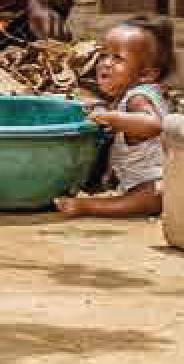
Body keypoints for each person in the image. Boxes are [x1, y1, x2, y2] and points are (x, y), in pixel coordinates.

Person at [54, 16, 176, 218]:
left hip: (157, 183)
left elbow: (153, 124)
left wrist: (111, 118)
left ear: (146, 74)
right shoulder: (123, 97)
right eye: (103, 56)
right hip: (134, 180)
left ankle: (89, 207)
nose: (106, 64)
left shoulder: (139, 97)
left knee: (153, 195)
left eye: (117, 58)